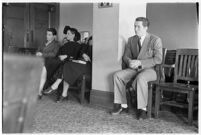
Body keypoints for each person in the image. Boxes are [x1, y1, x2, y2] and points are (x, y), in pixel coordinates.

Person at [111, 17, 163, 120]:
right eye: (135, 26)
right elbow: (125, 56)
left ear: (146, 28)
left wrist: (140, 62)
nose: (135, 29)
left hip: (150, 70)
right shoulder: (131, 40)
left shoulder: (155, 40)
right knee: (117, 75)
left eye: (138, 27)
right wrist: (129, 61)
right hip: (134, 69)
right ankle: (122, 105)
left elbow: (158, 59)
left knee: (141, 78)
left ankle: (142, 109)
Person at [43, 27, 82, 98]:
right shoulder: (65, 45)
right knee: (61, 65)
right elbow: (58, 54)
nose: (66, 35)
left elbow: (77, 57)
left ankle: (55, 86)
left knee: (65, 66)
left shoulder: (78, 46)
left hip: (72, 64)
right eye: (66, 33)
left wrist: (67, 56)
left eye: (68, 33)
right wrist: (60, 56)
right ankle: (60, 91)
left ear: (73, 35)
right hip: (62, 62)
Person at [57, 36, 92, 102]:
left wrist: (89, 59)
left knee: (68, 66)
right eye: (89, 41)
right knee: (68, 65)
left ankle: (58, 87)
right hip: (80, 65)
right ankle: (64, 94)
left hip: (88, 68)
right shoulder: (84, 47)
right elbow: (79, 55)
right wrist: (83, 55)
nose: (90, 42)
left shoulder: (93, 48)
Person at [36, 28, 60, 99]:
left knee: (43, 67)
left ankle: (39, 91)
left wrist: (42, 54)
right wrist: (37, 53)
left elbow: (54, 54)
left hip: (51, 62)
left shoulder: (56, 44)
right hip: (41, 60)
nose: (47, 36)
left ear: (54, 36)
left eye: (49, 35)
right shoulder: (43, 42)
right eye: (47, 34)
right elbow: (38, 50)